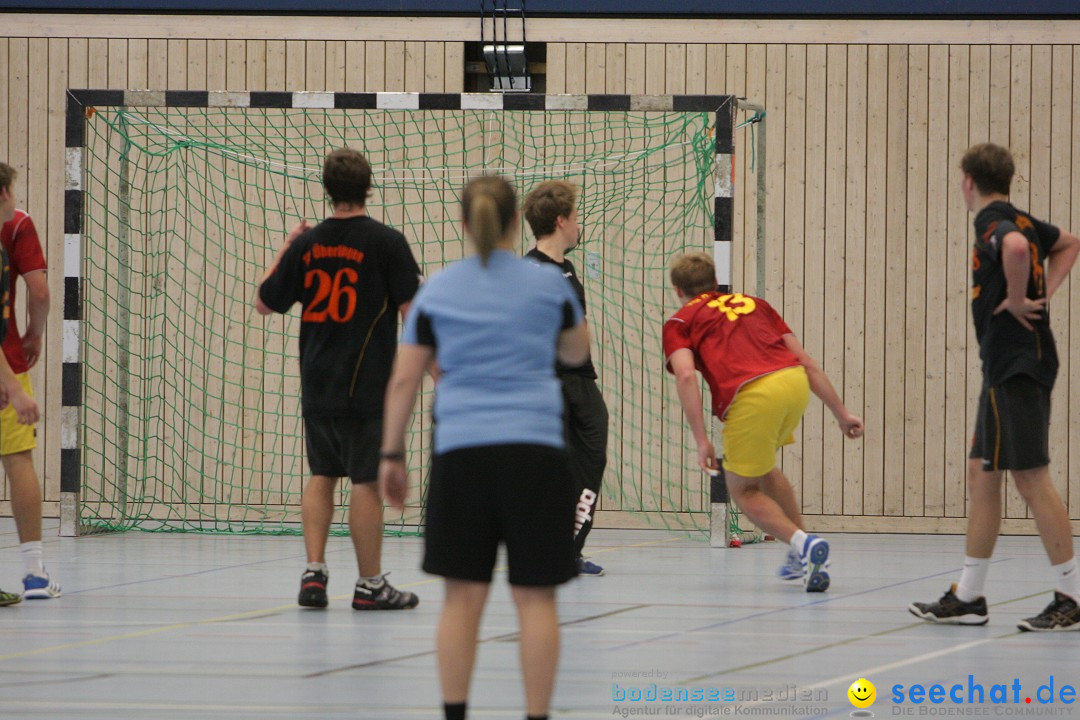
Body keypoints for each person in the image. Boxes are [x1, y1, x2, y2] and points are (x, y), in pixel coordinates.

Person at [379, 175, 589, 720]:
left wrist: (391, 456)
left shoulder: (438, 291)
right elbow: (575, 352)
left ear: (464, 223)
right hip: (537, 454)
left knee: (462, 599)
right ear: (517, 222)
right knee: (536, 599)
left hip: (463, 455)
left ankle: (456, 714)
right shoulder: (551, 285)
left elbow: (404, 381)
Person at [910, 143, 1080, 631]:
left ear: (967, 180)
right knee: (982, 475)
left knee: (1030, 477)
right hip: (1005, 365)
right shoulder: (1022, 217)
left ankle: (1070, 596)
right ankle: (969, 595)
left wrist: (1017, 296)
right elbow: (1069, 242)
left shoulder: (995, 224)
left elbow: (1017, 249)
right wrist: (1044, 293)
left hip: (1018, 363)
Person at [255, 148, 421, 611]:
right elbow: (414, 314)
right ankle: (369, 584)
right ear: (368, 186)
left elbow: (265, 302)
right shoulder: (387, 242)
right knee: (365, 481)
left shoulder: (308, 245)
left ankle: (314, 574)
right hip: (367, 385)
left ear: (327, 189)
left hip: (317, 381)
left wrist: (289, 246)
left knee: (322, 474)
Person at [662, 252, 863, 592]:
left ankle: (804, 545)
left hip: (753, 395)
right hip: (793, 383)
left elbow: (685, 376)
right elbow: (806, 361)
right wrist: (841, 413)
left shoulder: (680, 322)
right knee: (763, 470)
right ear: (715, 284)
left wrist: (701, 439)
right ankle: (801, 553)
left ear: (678, 290)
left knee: (742, 489)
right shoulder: (756, 304)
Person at [523, 180, 608, 576]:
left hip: (581, 385)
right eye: (575, 217)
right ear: (560, 220)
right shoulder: (528, 271)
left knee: (589, 466)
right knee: (549, 471)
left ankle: (570, 550)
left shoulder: (567, 268)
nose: (579, 225)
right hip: (548, 384)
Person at [0, 162, 51, 603]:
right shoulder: (17, 226)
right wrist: (33, 335)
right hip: (7, 365)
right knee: (18, 460)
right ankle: (34, 573)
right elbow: (39, 291)